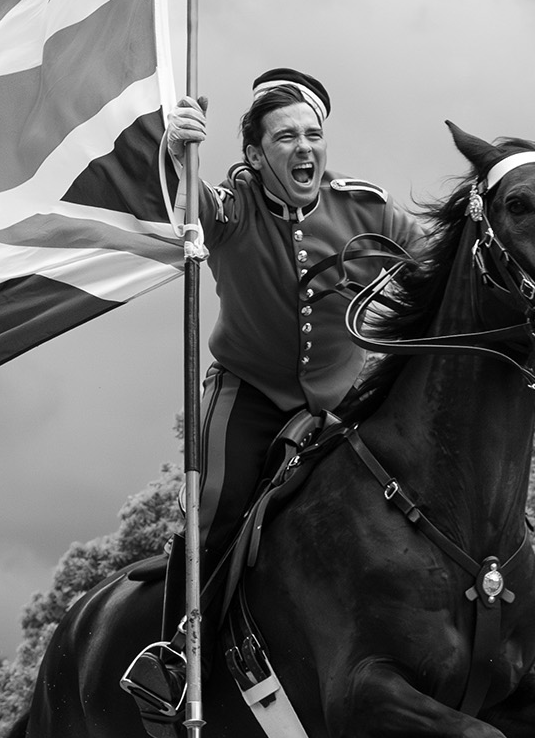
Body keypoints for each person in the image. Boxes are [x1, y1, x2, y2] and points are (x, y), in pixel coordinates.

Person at [123, 68, 422, 704]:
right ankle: (177, 656)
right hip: (249, 394)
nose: (304, 148)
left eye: (313, 135)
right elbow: (182, 207)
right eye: (286, 138)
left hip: (346, 404)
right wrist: (174, 153)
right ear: (256, 157)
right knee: (212, 507)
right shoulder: (233, 207)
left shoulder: (368, 209)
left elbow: (438, 268)